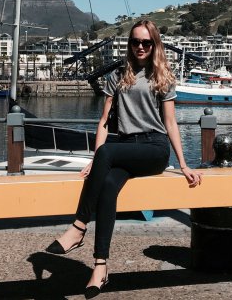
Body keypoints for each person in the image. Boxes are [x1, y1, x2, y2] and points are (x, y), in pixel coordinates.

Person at [45, 19, 202, 298]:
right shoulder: (117, 76)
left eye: (146, 42)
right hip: (127, 147)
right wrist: (96, 161)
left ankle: (78, 227)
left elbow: (170, 123)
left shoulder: (163, 76)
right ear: (129, 44)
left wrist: (183, 164)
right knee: (107, 186)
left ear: (154, 45)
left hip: (154, 149)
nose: (140, 47)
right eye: (135, 41)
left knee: (106, 152)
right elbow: (104, 122)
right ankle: (100, 267)